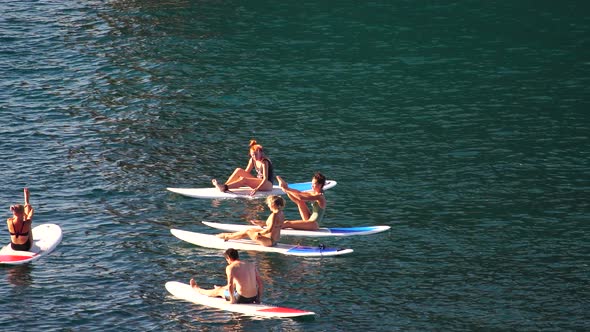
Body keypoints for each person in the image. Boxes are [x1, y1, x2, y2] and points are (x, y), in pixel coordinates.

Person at [189, 248, 263, 304]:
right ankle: (221, 288)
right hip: (253, 297)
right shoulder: (251, 265)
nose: (227, 261)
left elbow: (230, 284)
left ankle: (197, 289)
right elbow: (259, 282)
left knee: (219, 291)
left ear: (229, 258)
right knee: (235, 282)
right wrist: (258, 299)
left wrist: (232, 300)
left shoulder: (231, 267)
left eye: (226, 259)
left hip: (241, 298)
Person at [217, 195, 285, 247]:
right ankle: (231, 235)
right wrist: (261, 223)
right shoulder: (281, 213)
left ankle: (228, 236)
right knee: (251, 229)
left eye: (269, 203)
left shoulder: (274, 215)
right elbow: (274, 225)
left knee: (248, 232)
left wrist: (258, 234)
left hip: (269, 241)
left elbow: (269, 230)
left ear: (273, 204)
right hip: (274, 240)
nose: (268, 205)